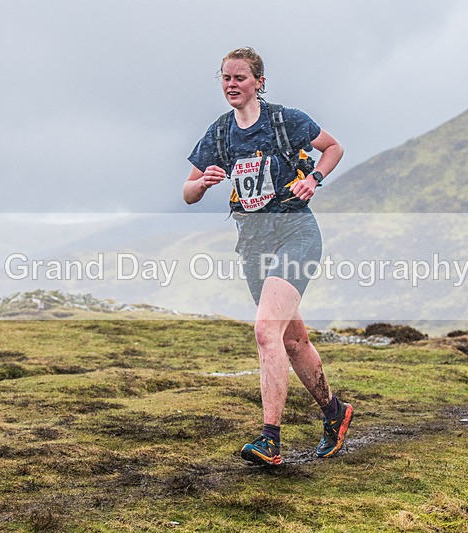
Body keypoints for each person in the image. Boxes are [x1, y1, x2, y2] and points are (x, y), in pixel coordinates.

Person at [184, 47, 352, 465]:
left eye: (240, 77)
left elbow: (333, 148)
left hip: (296, 233)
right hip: (255, 243)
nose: (231, 85)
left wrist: (313, 179)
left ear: (259, 81)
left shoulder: (285, 120)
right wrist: (203, 183)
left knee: (264, 331)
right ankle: (335, 413)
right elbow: (187, 192)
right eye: (225, 78)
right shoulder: (220, 134)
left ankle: (269, 439)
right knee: (292, 339)